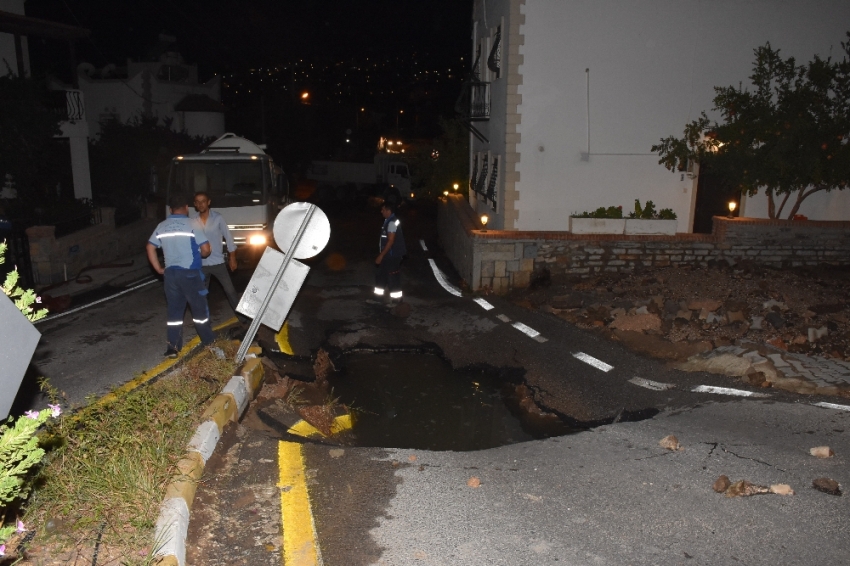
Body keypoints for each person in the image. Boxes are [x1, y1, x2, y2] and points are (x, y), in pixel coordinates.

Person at [146, 192, 216, 358]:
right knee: (200, 311)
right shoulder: (193, 224)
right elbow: (206, 249)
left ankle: (173, 348)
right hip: (190, 274)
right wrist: (204, 254)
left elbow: (150, 247)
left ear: (170, 209)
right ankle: (209, 343)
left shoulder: (161, 226)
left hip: (170, 275)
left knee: (174, 312)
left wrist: (159, 269)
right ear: (186, 208)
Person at [192, 192, 247, 324]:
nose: (200, 204)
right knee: (201, 294)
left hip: (218, 263)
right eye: (197, 202)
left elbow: (229, 238)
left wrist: (232, 257)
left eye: (203, 201)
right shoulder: (192, 220)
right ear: (194, 204)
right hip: (201, 264)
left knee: (230, 291)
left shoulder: (218, 218)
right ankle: (204, 321)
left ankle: (243, 319)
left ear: (208, 202)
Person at [374, 200, 407, 304]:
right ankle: (378, 299)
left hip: (392, 256)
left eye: (383, 209)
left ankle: (397, 303)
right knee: (381, 276)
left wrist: (381, 255)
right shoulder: (389, 220)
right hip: (389, 256)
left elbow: (391, 240)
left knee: (392, 278)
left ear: (388, 211)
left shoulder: (391, 223)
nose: (381, 211)